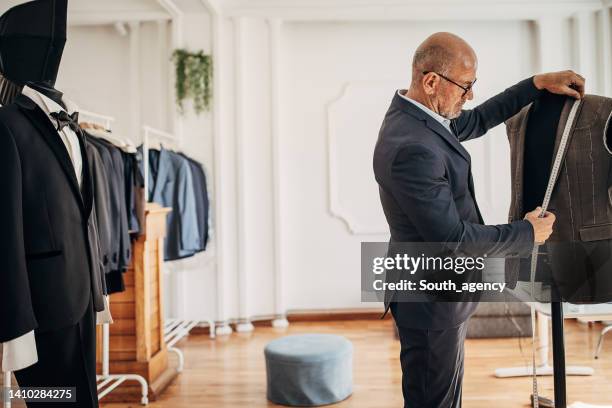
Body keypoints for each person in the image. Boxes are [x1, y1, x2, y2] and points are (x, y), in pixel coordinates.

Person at [373, 32, 584, 407]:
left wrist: (535, 84)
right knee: (431, 400)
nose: (469, 96)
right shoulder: (412, 147)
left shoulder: (423, 115)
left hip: (437, 293)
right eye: (465, 86)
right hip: (430, 298)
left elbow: (480, 119)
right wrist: (527, 232)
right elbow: (453, 239)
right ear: (431, 80)